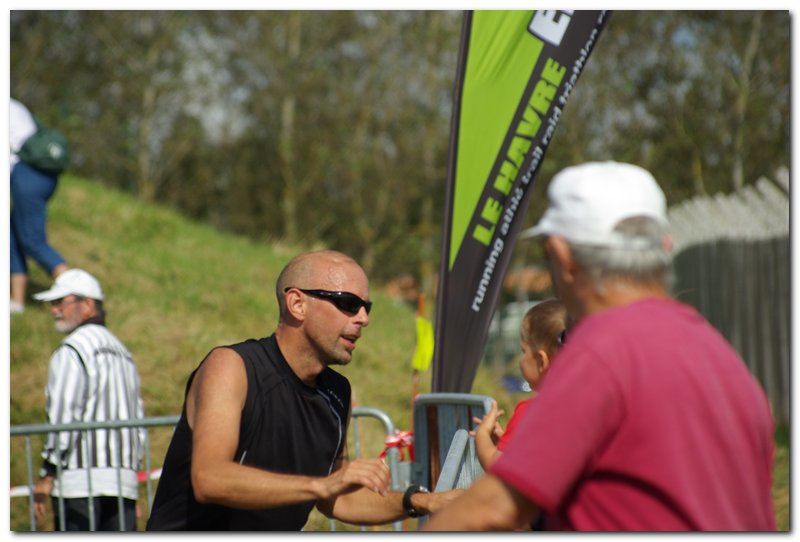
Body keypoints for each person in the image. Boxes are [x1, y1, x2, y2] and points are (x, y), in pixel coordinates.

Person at [425, 161, 776, 531]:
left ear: (563, 257)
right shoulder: (721, 355)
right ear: (665, 247)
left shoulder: (601, 351)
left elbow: (495, 508)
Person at [146, 250, 457, 530]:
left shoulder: (338, 392)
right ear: (297, 303)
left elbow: (339, 500)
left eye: (366, 306)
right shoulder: (231, 367)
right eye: (348, 304)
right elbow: (210, 478)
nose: (363, 318)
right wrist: (319, 485)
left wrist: (420, 501)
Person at [32, 269, 145, 531]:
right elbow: (138, 422)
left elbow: (63, 416)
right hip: (122, 483)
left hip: (79, 483)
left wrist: (47, 473)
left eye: (61, 302)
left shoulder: (72, 349)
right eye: (53, 303)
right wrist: (133, 480)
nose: (54, 310)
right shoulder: (123, 352)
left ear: (88, 305)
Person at [471, 298, 567, 471]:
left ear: (541, 360)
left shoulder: (532, 413)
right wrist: (507, 443)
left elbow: (500, 470)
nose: (521, 361)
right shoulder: (591, 408)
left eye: (524, 351)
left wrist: (482, 437)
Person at [10, 98, 69, 314]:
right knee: (12, 235)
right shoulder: (15, 106)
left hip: (26, 175)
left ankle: (78, 296)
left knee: (32, 241)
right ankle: (16, 302)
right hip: (43, 177)